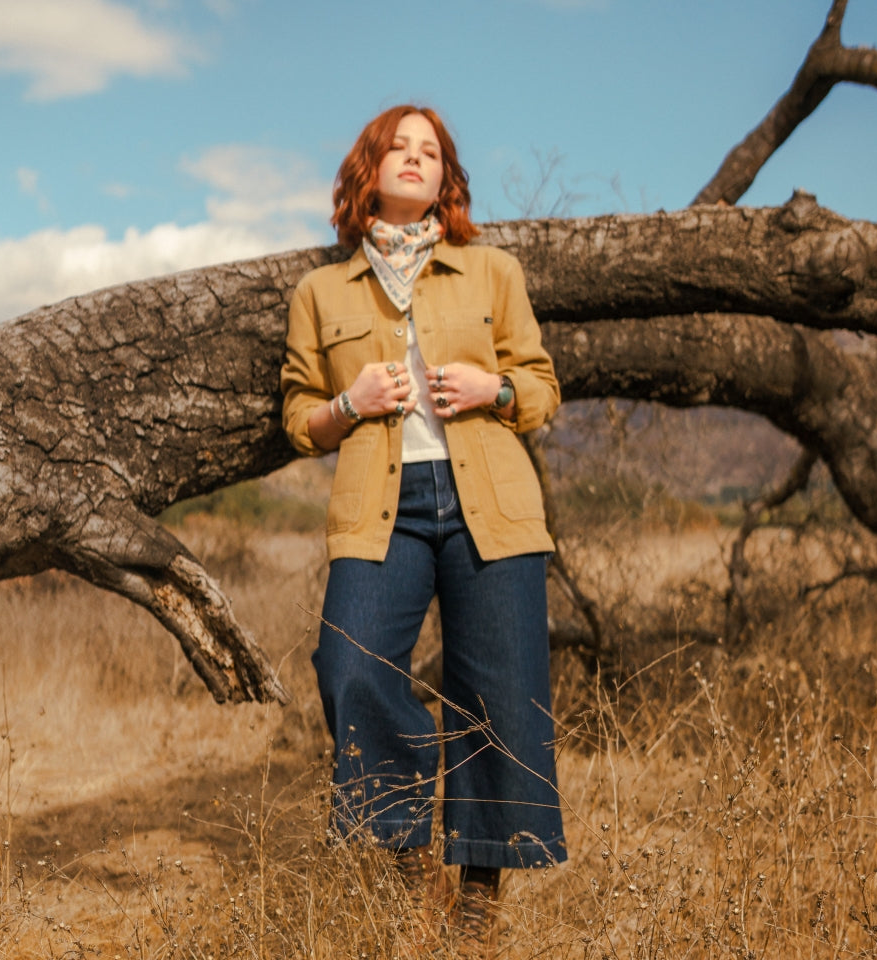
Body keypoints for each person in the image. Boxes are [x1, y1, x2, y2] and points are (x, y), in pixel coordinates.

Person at [281, 104, 566, 955]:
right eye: (397, 148)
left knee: (501, 696)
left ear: (448, 178)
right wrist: (348, 403)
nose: (414, 159)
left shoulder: (490, 272)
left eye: (429, 151)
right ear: (367, 169)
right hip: (381, 512)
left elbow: (543, 389)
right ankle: (410, 858)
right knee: (349, 665)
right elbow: (298, 415)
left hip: (491, 505)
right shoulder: (321, 291)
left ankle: (478, 900)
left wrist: (495, 391)